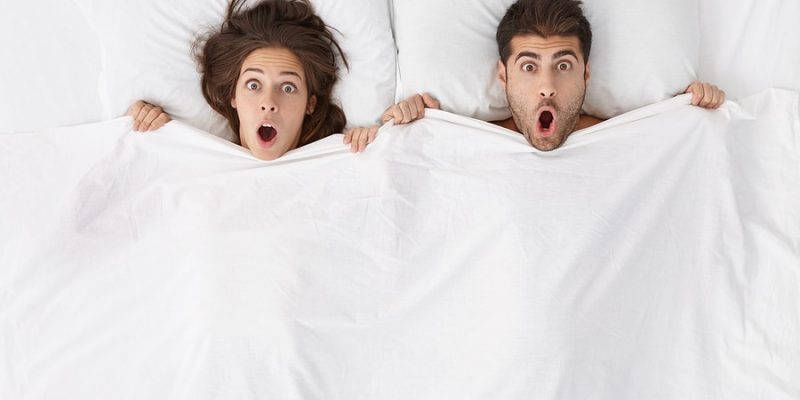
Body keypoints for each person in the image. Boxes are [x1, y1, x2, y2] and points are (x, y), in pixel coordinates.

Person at [347, 0, 726, 152]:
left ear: (587, 74)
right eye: (529, 66)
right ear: (504, 76)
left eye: (563, 66)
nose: (547, 86)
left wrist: (693, 114)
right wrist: (401, 127)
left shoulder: (633, 135)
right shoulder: (458, 134)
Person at [127, 0, 349, 161]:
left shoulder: (343, 158)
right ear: (233, 96)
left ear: (310, 104)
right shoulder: (191, 161)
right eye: (253, 85)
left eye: (288, 87)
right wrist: (141, 131)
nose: (269, 102)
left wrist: (380, 143)